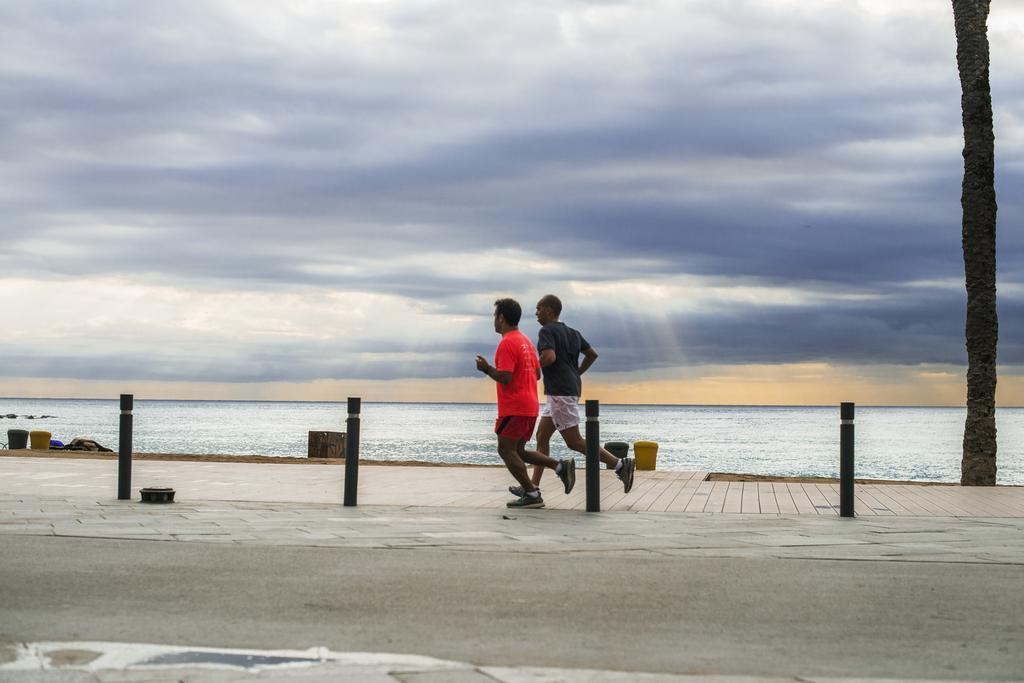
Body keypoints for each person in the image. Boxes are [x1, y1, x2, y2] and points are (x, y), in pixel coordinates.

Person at [510, 294, 635, 497]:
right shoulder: (573, 332)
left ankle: (620, 465)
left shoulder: (546, 331)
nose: (536, 313)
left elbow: (549, 356)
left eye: (539, 309)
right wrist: (576, 372)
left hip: (560, 392)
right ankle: (532, 488)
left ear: (549, 311)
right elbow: (592, 354)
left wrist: (530, 366)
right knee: (542, 436)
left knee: (574, 442)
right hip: (563, 391)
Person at [476, 298, 576, 509]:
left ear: (501, 317)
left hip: (514, 407)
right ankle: (559, 466)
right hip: (530, 406)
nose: (494, 321)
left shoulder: (507, 343)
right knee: (519, 451)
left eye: (495, 316)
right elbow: (538, 374)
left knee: (505, 449)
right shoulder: (526, 342)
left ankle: (532, 493)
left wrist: (486, 369)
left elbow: (505, 377)